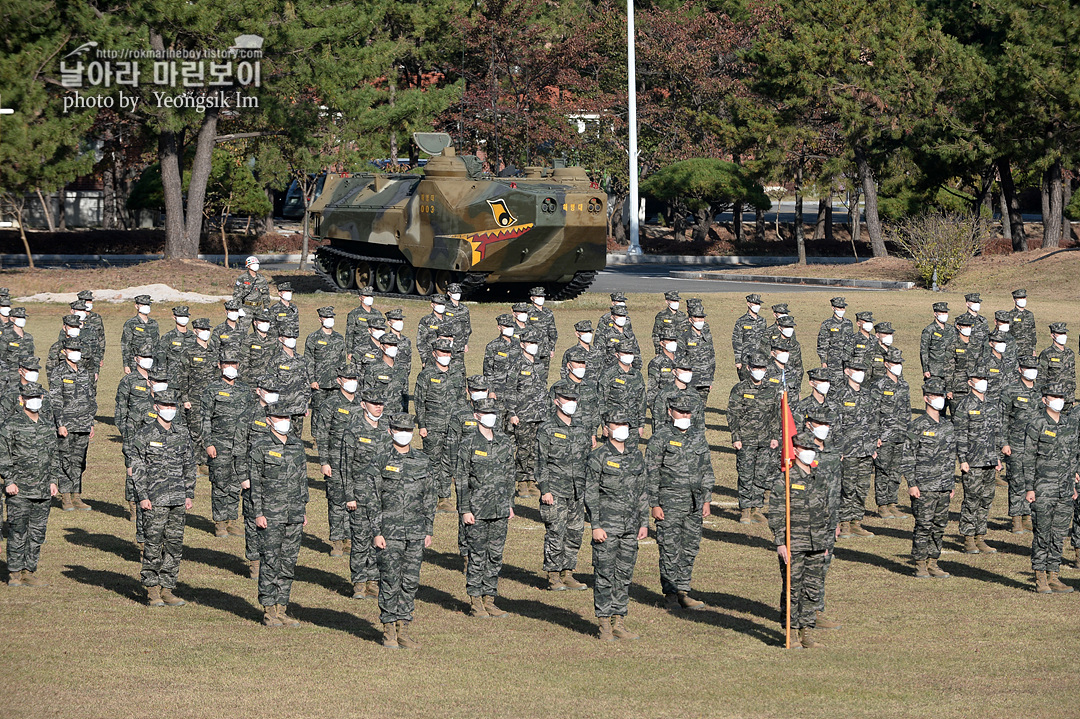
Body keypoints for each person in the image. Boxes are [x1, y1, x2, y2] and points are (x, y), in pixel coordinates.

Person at [366, 413, 435, 649]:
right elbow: (373, 499)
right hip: (389, 532)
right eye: (399, 429)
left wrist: (428, 529)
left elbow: (429, 498)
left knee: (410, 582)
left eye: (408, 429)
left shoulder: (422, 461)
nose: (404, 433)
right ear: (390, 431)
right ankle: (388, 630)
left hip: (416, 533)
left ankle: (403, 628)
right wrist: (376, 531)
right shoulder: (379, 460)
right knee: (390, 580)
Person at [646, 393, 714, 611]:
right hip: (669, 503)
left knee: (690, 547)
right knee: (669, 547)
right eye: (680, 411)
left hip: (694, 503)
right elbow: (651, 472)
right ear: (670, 412)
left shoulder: (698, 436)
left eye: (688, 412)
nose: (685, 415)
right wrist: (654, 503)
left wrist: (706, 499)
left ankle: (684, 590)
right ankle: (671, 594)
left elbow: (706, 470)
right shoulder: (661, 437)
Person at [768, 431, 835, 649]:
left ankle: (807, 631)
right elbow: (777, 513)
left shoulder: (819, 478)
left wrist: (825, 542)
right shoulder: (785, 479)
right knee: (792, 589)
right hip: (794, 543)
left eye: (812, 449)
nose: (810, 453)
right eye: (806, 449)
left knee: (812, 589)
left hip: (816, 543)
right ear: (795, 450)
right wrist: (780, 542)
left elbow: (825, 512)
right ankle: (792, 632)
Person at [586, 411, 649, 641]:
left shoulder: (636, 456)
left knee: (624, 575)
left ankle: (619, 621)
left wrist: (644, 523)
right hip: (607, 527)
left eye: (625, 424)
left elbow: (642, 491)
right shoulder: (598, 457)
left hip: (630, 528)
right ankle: (603, 624)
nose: (622, 427)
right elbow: (590, 493)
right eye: (617, 423)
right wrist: (595, 525)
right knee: (604, 575)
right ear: (606, 428)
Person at [130, 390, 196, 607]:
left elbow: (189, 465)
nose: (169, 409)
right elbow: (137, 467)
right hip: (154, 499)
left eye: (172, 406)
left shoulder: (182, 433)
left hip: (177, 498)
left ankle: (168, 588)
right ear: (156, 406)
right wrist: (142, 496)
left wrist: (189, 493)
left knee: (175, 545)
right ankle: (152, 590)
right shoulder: (144, 434)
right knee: (153, 543)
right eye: (165, 405)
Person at [456, 397, 515, 618]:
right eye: (486, 412)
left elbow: (510, 475)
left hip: (500, 508)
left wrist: (510, 504)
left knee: (495, 556)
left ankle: (489, 598)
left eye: (493, 412)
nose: (491, 416)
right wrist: (464, 509)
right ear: (476, 415)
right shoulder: (468, 443)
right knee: (477, 555)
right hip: (477, 510)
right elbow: (461, 479)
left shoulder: (504, 442)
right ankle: (475, 601)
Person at [250, 409, 309, 626]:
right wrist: (258, 513)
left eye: (287, 418)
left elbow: (302, 479)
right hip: (271, 514)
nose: (284, 422)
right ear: (268, 420)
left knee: (288, 563)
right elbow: (255, 482)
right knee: (270, 561)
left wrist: (303, 510)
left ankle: (282, 608)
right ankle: (268, 610)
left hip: (294, 513)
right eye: (280, 418)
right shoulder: (260, 446)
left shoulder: (297, 445)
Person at [1021, 384, 1079, 594]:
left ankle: (1054, 574)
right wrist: (1029, 488)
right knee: (1043, 534)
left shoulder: (1069, 423)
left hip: (1064, 489)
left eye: (1061, 396)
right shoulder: (1036, 423)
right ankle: (1040, 577)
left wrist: (1072, 485)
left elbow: (1072, 456)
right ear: (1044, 399)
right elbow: (1027, 458)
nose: (1058, 400)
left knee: (1059, 534)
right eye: (1054, 396)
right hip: (1043, 488)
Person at [1, 382, 59, 587]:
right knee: (18, 530)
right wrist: (9, 480)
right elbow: (3, 453)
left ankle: (29, 570)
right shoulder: (11, 424)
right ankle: (15, 573)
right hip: (19, 489)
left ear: (42, 399)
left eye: (37, 396)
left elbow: (54, 455)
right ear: (22, 400)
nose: (34, 400)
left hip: (43, 489)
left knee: (37, 532)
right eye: (29, 397)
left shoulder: (46, 424)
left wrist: (54, 480)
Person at [536, 387, 593, 591]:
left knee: (575, 533)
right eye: (566, 398)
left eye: (573, 399)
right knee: (555, 532)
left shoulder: (582, 427)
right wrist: (545, 489)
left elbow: (588, 459)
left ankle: (568, 573)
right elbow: (540, 461)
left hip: (577, 490)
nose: (571, 402)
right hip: (555, 490)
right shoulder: (547, 428)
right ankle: (553, 576)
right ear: (556, 401)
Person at [903, 378, 957, 579]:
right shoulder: (916, 426)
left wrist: (951, 483)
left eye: (941, 395)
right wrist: (911, 483)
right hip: (924, 486)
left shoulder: (947, 425)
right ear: (926, 398)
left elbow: (951, 456)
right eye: (935, 396)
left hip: (943, 485)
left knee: (939, 526)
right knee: (923, 526)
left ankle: (933, 562)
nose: (940, 399)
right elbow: (908, 456)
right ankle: (919, 564)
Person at [200, 352, 254, 538]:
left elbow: (251, 418)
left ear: (238, 365)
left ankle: (232, 520)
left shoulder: (245, 389)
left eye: (233, 363)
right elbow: (205, 418)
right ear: (219, 365)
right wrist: (208, 443)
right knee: (220, 482)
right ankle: (220, 523)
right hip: (219, 444)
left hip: (241, 445)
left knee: (236, 483)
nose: (230, 367)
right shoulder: (212, 389)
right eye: (226, 363)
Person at [342, 389, 390, 599]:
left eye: (381, 403)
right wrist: (349, 495)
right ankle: (359, 583)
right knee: (361, 539)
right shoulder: (353, 431)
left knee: (378, 539)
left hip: (382, 496)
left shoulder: (387, 431)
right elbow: (345, 466)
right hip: (360, 495)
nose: (378, 407)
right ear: (363, 405)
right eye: (373, 403)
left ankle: (374, 580)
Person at [312, 363, 362, 557]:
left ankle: (350, 538)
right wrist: (323, 461)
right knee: (336, 500)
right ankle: (337, 542)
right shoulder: (330, 404)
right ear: (339, 381)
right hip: (335, 459)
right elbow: (322, 434)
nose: (352, 383)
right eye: (348, 379)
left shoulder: (362, 403)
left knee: (355, 499)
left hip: (357, 461)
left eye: (354, 379)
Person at [953, 365, 1003, 554]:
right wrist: (963, 459)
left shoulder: (991, 404)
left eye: (984, 378)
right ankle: (968, 538)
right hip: (972, 461)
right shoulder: (964, 405)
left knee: (986, 499)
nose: (983, 381)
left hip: (990, 460)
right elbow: (960, 434)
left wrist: (998, 457)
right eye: (978, 378)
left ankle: (980, 536)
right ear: (970, 382)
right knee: (972, 499)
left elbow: (997, 432)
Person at [232, 379, 279, 579]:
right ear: (259, 391)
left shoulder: (281, 415)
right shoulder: (248, 416)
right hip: (253, 477)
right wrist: (243, 477)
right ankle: (255, 563)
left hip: (277, 478)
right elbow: (239, 449)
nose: (272, 393)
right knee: (253, 521)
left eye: (276, 390)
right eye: (269, 390)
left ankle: (273, 562)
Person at [727, 352, 780, 524]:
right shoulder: (740, 389)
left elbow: (774, 416)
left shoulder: (771, 390)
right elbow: (732, 414)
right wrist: (736, 437)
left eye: (762, 368)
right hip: (746, 439)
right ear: (749, 368)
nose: (759, 371)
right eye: (756, 368)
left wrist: (774, 437)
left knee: (761, 474)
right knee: (745, 474)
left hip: (765, 440)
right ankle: (745, 510)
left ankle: (757, 508)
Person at [414, 337, 464, 514]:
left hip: (452, 427)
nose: (446, 355)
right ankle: (430, 497)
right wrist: (422, 425)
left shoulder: (457, 374)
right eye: (443, 352)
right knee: (432, 463)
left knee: (449, 462)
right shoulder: (426, 375)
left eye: (448, 353)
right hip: (432, 427)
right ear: (435, 354)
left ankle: (444, 497)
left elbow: (461, 400)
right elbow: (419, 402)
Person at [50, 338, 97, 512]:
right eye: (72, 349)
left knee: (79, 461)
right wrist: (60, 424)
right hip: (67, 425)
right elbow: (55, 400)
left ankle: (77, 495)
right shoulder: (58, 372)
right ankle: (66, 496)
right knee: (65, 459)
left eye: (78, 349)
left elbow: (91, 399)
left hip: (84, 424)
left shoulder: (85, 372)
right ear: (64, 352)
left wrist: (91, 422)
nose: (76, 352)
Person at [114, 341, 157, 529]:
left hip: (155, 433)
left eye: (150, 357)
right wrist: (125, 432)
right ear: (136, 359)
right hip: (134, 432)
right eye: (144, 357)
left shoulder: (158, 379)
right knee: (133, 469)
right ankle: (132, 504)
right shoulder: (128, 381)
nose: (147, 360)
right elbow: (120, 410)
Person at [835, 359, 878, 538]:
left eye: (862, 369)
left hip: (866, 450)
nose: (860, 372)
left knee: (862, 487)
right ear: (847, 371)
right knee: (847, 486)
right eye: (856, 369)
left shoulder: (868, 395)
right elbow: (835, 425)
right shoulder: (839, 395)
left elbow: (874, 421)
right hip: (848, 450)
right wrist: (839, 449)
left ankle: (856, 521)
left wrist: (874, 443)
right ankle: (844, 522)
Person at [506, 329, 551, 499]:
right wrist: (512, 412)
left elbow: (542, 388)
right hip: (523, 414)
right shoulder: (516, 364)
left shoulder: (540, 365)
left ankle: (532, 479)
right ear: (523, 344)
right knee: (523, 448)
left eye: (535, 343)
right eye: (531, 343)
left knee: (536, 448)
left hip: (539, 414)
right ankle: (522, 481)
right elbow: (509, 390)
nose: (534, 346)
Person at [1001, 356, 1041, 534]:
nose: (1032, 370)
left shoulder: (1040, 392)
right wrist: (1004, 443)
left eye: (1034, 368)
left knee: (1032, 481)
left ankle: (1028, 517)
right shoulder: (1011, 390)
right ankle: (1016, 519)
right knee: (1017, 480)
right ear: (1020, 369)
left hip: (1036, 445)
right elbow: (1002, 418)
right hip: (1016, 443)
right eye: (1028, 367)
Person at [871, 348, 910, 519]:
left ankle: (892, 502)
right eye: (895, 363)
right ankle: (882, 505)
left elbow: (907, 411)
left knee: (896, 471)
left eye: (900, 363)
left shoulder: (904, 385)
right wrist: (875, 436)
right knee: (883, 470)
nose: (898, 366)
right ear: (887, 364)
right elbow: (873, 413)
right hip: (884, 436)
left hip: (901, 435)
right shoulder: (878, 386)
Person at [265, 326, 313, 438]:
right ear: (280, 339)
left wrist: (305, 402)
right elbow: (269, 384)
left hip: (298, 406)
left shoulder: (301, 360)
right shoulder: (276, 361)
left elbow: (306, 382)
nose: (291, 339)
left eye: (293, 337)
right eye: (288, 337)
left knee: (296, 439)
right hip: (282, 408)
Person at [305, 306, 347, 431]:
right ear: (320, 319)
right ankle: (316, 438)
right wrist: (312, 379)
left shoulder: (339, 338)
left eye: (331, 317)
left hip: (335, 382)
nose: (330, 320)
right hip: (319, 382)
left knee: (334, 410)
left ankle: (330, 436)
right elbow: (309, 360)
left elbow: (342, 361)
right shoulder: (313, 338)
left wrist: (342, 380)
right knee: (318, 410)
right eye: (327, 317)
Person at [178, 318, 217, 450]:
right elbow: (183, 376)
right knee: (196, 431)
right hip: (195, 398)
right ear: (195, 331)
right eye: (203, 330)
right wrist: (185, 399)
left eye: (207, 330)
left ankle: (207, 463)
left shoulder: (214, 352)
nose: (206, 332)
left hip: (212, 398)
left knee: (211, 429)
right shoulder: (189, 352)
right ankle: (195, 463)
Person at [362, 333, 409, 413]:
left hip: (398, 416)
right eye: (389, 345)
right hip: (381, 415)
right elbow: (367, 394)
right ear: (382, 346)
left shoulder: (402, 369)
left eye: (395, 345)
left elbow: (405, 394)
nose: (393, 347)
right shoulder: (372, 369)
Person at [681, 299, 716, 404]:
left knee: (701, 410)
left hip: (705, 380)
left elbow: (711, 358)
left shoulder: (707, 337)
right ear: (691, 320)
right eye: (697, 318)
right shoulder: (684, 337)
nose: (700, 320)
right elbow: (679, 359)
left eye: (702, 318)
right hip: (690, 380)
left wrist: (710, 379)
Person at [1037, 323, 1075, 403]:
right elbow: (1041, 376)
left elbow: (1072, 375)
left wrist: (1072, 396)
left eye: (1064, 333)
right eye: (1060, 333)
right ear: (1052, 335)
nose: (1063, 336)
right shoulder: (1046, 353)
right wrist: (1043, 395)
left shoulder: (1070, 353)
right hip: (1053, 397)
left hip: (1068, 397)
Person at [120, 295, 158, 375]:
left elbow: (157, 344)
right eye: (143, 305)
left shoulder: (154, 323)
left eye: (147, 305)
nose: (146, 307)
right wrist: (126, 364)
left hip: (152, 362)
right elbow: (126, 344)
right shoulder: (131, 323)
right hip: (135, 362)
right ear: (136, 306)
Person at [484, 314, 520, 397]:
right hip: (499, 389)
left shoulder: (519, 345)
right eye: (506, 326)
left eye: (511, 326)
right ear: (499, 327)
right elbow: (488, 370)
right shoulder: (492, 346)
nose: (509, 329)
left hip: (516, 389)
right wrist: (491, 390)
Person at [731, 293, 765, 381]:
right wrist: (738, 360)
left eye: (758, 304)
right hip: (746, 360)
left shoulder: (762, 321)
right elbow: (737, 340)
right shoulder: (741, 321)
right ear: (748, 304)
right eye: (755, 304)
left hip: (760, 359)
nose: (757, 306)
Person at [560, 319, 603, 384]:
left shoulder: (597, 352)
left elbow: (602, 373)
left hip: (594, 390)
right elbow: (564, 374)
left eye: (590, 332)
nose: (588, 334)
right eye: (585, 332)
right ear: (577, 334)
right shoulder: (571, 352)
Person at [240, 308, 277, 383]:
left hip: (271, 381)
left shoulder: (274, 340)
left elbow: (278, 360)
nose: (264, 323)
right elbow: (244, 363)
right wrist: (247, 381)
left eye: (267, 321)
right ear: (255, 322)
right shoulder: (248, 340)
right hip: (253, 381)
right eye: (262, 321)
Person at [345, 286, 382, 361]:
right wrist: (349, 351)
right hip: (359, 349)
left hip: (374, 349)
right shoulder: (354, 314)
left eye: (371, 296)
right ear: (360, 298)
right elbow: (349, 333)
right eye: (367, 295)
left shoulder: (377, 314)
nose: (369, 298)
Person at [920, 302, 955, 380]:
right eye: (941, 312)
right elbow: (924, 351)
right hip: (934, 371)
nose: (944, 314)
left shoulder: (951, 330)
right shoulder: (929, 330)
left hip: (950, 371)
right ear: (935, 314)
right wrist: (925, 369)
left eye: (945, 312)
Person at [525, 287, 557, 370]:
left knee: (543, 375)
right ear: (532, 298)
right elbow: (522, 330)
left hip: (545, 349)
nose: (541, 299)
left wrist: (552, 348)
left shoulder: (548, 312)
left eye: (542, 297)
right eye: (538, 297)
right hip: (531, 349)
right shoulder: (527, 312)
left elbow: (552, 331)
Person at [157, 306, 192, 384]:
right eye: (181, 316)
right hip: (173, 380)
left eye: (185, 316)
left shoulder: (194, 337)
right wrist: (162, 378)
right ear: (174, 317)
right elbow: (161, 358)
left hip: (191, 381)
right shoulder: (168, 337)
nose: (184, 318)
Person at [1, 308, 35, 385]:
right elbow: (2, 358)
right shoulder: (5, 337)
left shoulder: (28, 337)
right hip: (9, 377)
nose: (22, 320)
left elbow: (31, 356)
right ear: (11, 319)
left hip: (25, 376)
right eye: (19, 317)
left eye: (23, 317)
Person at [817, 297, 853, 369]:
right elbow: (822, 343)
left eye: (843, 308)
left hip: (848, 361)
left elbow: (852, 341)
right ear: (833, 308)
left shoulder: (848, 323)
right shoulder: (827, 324)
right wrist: (823, 361)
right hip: (833, 361)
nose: (842, 310)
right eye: (839, 308)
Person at [651, 290, 687, 355]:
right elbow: (656, 334)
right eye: (673, 301)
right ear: (667, 301)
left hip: (680, 350)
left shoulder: (682, 316)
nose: (676, 303)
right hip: (665, 350)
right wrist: (658, 351)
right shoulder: (661, 316)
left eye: (677, 301)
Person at [1009, 289, 1036, 358]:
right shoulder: (1010, 315)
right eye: (1019, 298)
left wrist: (1033, 349)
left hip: (1028, 351)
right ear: (1014, 300)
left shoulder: (1029, 315)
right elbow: (1007, 333)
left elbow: (1033, 332)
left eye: (1023, 298)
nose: (1022, 300)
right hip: (1015, 351)